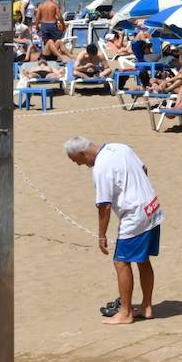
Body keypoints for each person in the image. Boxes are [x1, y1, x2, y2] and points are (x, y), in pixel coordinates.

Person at [65, 136, 163, 325]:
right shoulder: (120, 147)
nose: (78, 165)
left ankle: (125, 313)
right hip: (152, 206)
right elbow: (144, 169)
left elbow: (105, 205)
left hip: (135, 215)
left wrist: (101, 235)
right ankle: (147, 306)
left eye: (76, 160)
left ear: (82, 153)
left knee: (121, 262)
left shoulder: (100, 168)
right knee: (142, 259)